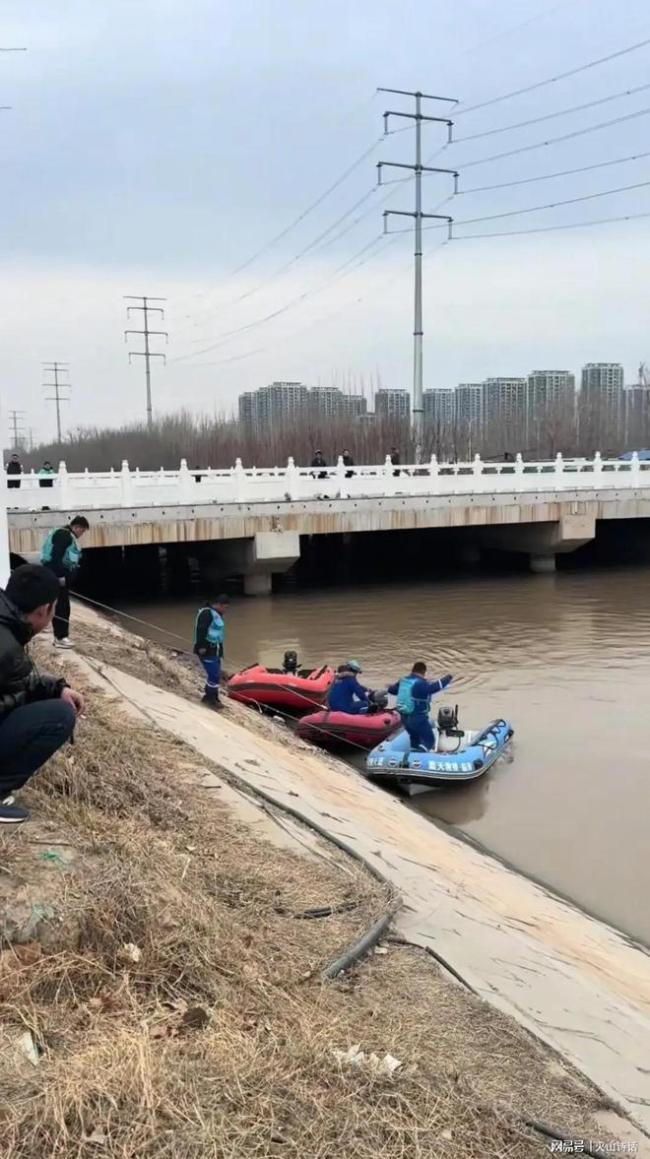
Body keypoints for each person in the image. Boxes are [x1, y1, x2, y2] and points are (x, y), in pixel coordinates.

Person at [0, 564, 84, 824]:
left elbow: (21, 682)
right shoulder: (6, 648)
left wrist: (57, 688)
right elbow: (20, 688)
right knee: (59, 716)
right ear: (44, 609)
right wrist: (48, 697)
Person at [40, 515, 90, 649]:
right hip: (57, 578)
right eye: (82, 531)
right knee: (62, 607)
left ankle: (59, 635)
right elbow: (55, 557)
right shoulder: (64, 536)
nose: (82, 534)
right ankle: (61, 637)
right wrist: (60, 576)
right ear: (77, 527)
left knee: (58, 606)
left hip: (56, 578)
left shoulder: (65, 534)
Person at [387, 662, 453, 751]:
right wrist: (447, 678)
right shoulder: (420, 683)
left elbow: (391, 690)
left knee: (415, 739)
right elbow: (434, 688)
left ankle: (412, 757)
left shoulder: (403, 681)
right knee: (429, 740)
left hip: (404, 717)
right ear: (423, 671)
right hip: (418, 718)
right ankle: (419, 759)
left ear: (413, 670)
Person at [193, 595, 229, 710]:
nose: (226, 610)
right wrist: (201, 647)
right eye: (225, 607)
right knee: (214, 675)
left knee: (215, 674)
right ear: (219, 605)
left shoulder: (217, 614)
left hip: (215, 650)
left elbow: (217, 635)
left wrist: (221, 652)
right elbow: (201, 630)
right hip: (207, 650)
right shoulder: (206, 613)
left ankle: (211, 696)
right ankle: (211, 699)